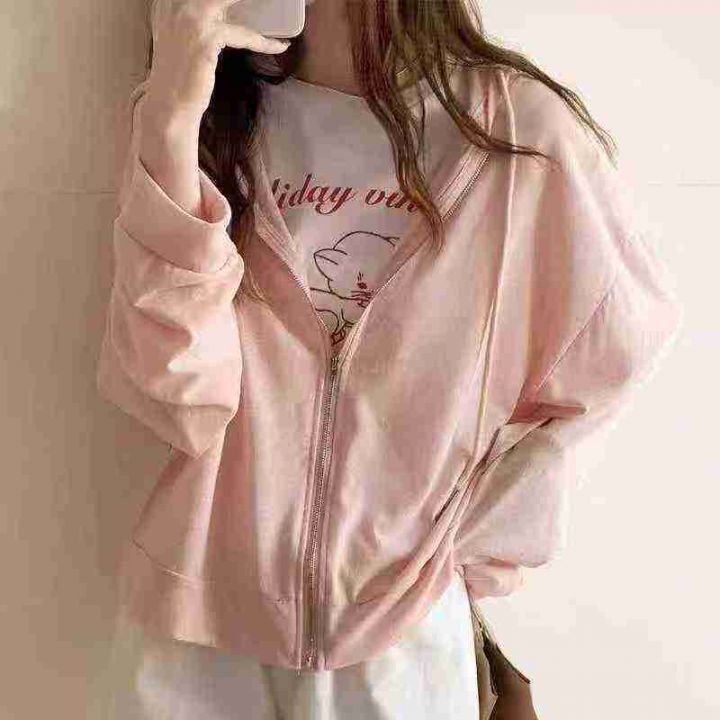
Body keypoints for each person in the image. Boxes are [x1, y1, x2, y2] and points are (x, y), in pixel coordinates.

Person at [91, 0, 683, 718]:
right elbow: (177, 396)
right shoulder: (208, 113)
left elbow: (614, 354)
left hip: (400, 643)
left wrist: (462, 549)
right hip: (194, 631)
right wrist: (171, 115)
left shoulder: (515, 132)